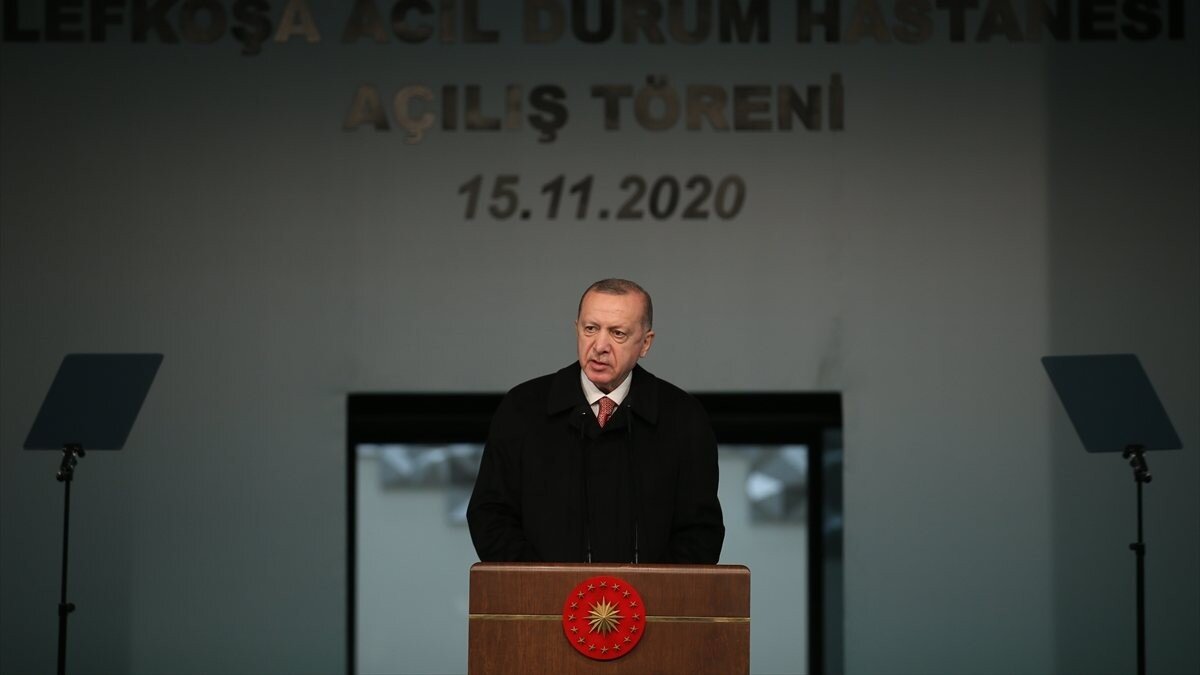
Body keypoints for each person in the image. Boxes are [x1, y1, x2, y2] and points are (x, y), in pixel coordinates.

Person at [466, 279, 724, 564]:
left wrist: (646, 589)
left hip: (650, 595)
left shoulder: (683, 417)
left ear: (645, 343)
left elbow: (701, 533)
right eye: (590, 329)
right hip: (541, 593)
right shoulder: (522, 408)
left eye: (617, 333)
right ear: (576, 329)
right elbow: (491, 516)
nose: (600, 346)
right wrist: (544, 584)